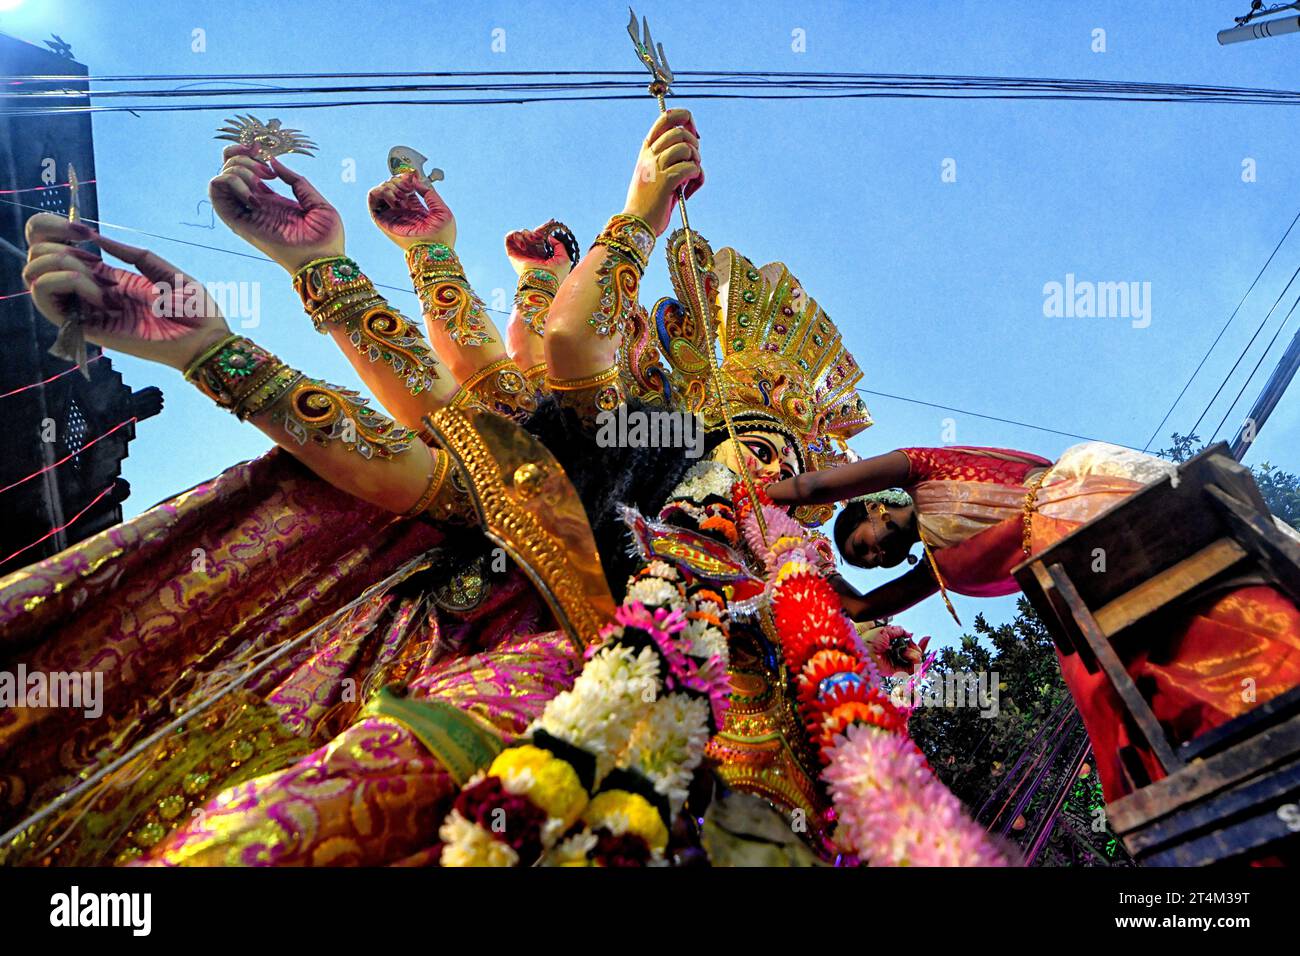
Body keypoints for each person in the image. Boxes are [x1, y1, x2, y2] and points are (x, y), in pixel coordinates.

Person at [1, 107, 937, 866]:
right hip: (469, 660)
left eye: (784, 472)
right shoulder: (630, 450)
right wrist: (243, 325)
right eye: (751, 452)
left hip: (689, 753)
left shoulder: (803, 591)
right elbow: (462, 441)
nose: (758, 480)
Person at [769, 442, 1300, 801]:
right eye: (872, 564)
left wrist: (757, 492)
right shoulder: (937, 567)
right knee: (1135, 688)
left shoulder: (920, 469)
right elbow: (862, 608)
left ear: (873, 510)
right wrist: (801, 562)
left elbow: (814, 489)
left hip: (1080, 517)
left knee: (1209, 610)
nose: (880, 558)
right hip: (1070, 595)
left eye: (865, 545)